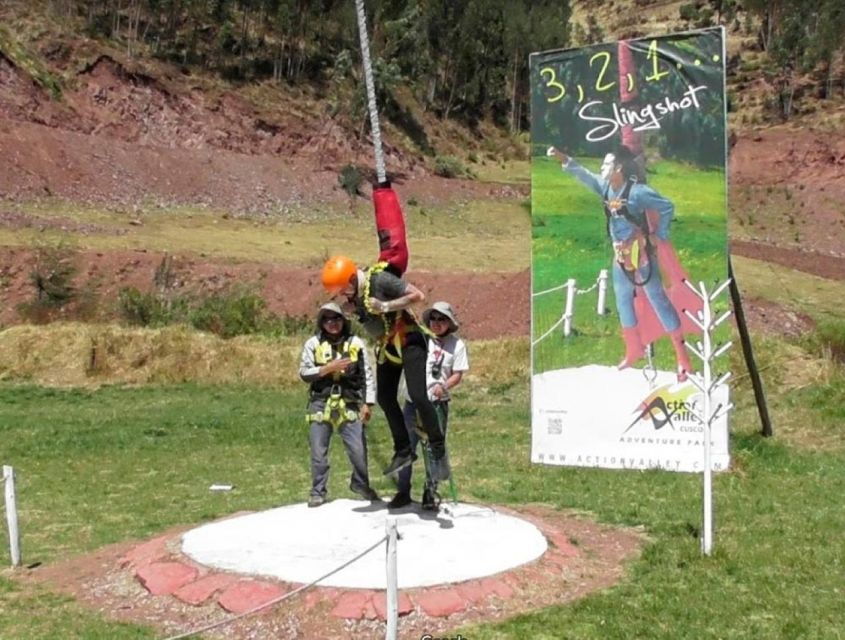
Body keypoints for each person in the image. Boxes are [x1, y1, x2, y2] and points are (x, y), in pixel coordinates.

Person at [550, 145, 693, 380]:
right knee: (623, 300)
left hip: (642, 254)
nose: (601, 168)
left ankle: (682, 357)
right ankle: (634, 348)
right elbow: (585, 176)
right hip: (620, 255)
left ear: (618, 167)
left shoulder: (638, 193)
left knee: (658, 300)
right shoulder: (606, 188)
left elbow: (667, 206)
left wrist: (659, 234)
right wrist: (564, 159)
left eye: (606, 164)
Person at [319, 256, 452, 487]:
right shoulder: (356, 297)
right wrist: (356, 312)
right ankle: (403, 449)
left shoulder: (379, 280)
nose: (342, 295)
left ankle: (438, 449)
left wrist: (386, 306)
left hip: (410, 339)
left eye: (343, 290)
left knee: (418, 395)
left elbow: (418, 296)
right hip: (387, 344)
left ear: (352, 279)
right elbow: (374, 325)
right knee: (384, 396)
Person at [299, 302, 379, 508]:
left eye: (336, 319)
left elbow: (367, 374)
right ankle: (318, 491)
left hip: (350, 401)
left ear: (343, 321)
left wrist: (368, 403)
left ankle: (360, 484)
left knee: (358, 449)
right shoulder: (313, 344)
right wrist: (327, 368)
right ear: (321, 322)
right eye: (327, 319)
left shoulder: (356, 343)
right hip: (320, 402)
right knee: (319, 452)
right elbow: (304, 373)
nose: (332, 323)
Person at [392, 301, 469, 510]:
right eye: (433, 318)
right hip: (413, 403)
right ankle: (403, 491)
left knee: (433, 448)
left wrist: (443, 386)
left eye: (441, 319)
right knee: (407, 446)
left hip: (436, 404)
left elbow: (457, 374)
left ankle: (431, 491)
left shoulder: (457, 345)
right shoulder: (421, 339)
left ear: (449, 322)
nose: (436, 322)